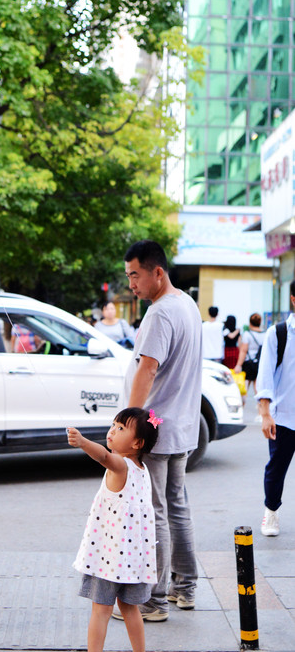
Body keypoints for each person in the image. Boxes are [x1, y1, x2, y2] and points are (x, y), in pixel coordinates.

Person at [119, 239, 202, 622]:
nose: (131, 283)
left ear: (157, 272)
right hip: (181, 428)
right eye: (128, 275)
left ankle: (153, 600)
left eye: (135, 274)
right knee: (176, 509)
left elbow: (147, 370)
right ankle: (185, 589)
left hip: (153, 430)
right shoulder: (187, 304)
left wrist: (127, 425)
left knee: (154, 512)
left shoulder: (160, 313)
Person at [68, 407, 160, 652]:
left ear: (137, 443)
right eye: (113, 425)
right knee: (130, 609)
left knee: (101, 610)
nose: (112, 431)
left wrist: (83, 443)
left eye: (121, 428)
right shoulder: (143, 471)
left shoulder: (121, 465)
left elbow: (104, 457)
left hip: (108, 558)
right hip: (135, 562)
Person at [255, 279, 295, 538]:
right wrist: (265, 414)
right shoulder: (279, 333)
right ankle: (271, 512)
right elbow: (266, 375)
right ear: (293, 300)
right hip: (284, 416)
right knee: (277, 468)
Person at [234, 313, 265, 398]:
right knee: (258, 388)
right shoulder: (265, 334)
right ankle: (260, 408)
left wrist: (238, 365)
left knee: (244, 388)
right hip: (259, 363)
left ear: (250, 323)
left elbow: (243, 351)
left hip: (248, 363)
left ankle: (241, 407)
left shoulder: (247, 334)